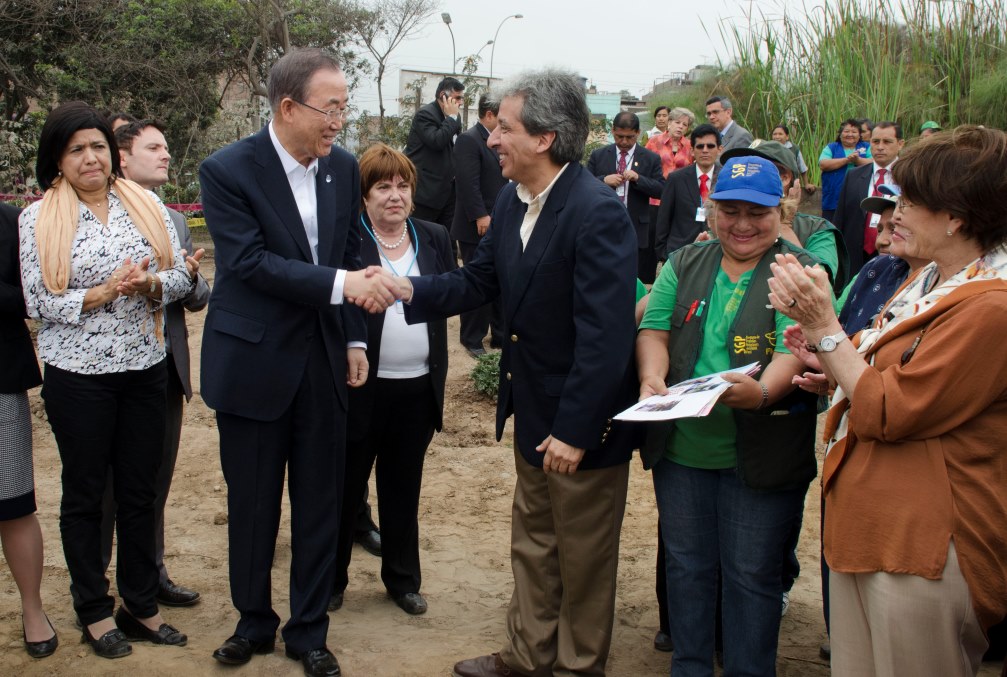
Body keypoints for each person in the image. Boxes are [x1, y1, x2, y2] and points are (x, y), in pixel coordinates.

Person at [394, 68, 639, 677]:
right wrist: (406, 289)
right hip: (532, 406)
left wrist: (578, 429)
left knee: (581, 556)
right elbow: (480, 281)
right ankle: (528, 657)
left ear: (545, 139)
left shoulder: (596, 212)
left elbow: (605, 340)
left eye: (505, 127)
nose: (492, 139)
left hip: (583, 425)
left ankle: (577, 666)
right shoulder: (511, 200)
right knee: (533, 544)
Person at [769, 125, 1007, 677]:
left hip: (922, 545)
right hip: (876, 528)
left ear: (957, 217)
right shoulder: (928, 283)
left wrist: (826, 328)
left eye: (910, 201)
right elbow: (891, 373)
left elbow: (890, 410)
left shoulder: (989, 309)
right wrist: (829, 360)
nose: (893, 213)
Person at [198, 48, 399, 677]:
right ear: (289, 107)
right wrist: (345, 286)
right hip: (253, 363)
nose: (339, 122)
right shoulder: (227, 170)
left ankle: (309, 631)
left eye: (345, 107)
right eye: (330, 108)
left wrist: (356, 340)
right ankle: (252, 621)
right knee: (253, 504)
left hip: (322, 362)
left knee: (320, 501)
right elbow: (250, 264)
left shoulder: (341, 167)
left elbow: (345, 249)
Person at [19, 101, 192, 658]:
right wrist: (104, 292)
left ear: (110, 153)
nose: (89, 157)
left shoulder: (148, 206)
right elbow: (39, 300)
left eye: (97, 146)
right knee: (86, 495)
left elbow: (181, 280)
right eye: (76, 150)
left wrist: (148, 287)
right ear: (58, 159)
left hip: (145, 368)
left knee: (141, 492)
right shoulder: (37, 218)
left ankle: (139, 604)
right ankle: (93, 609)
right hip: (79, 377)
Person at [638, 155, 819, 677]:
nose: (742, 225)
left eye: (757, 213)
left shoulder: (798, 270)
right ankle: (690, 667)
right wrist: (653, 376)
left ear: (781, 210)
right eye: (729, 211)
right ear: (711, 210)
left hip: (761, 454)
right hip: (684, 452)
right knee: (688, 568)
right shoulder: (685, 263)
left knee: (750, 575)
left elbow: (794, 348)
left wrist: (763, 392)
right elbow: (654, 329)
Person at [331, 143, 455, 618]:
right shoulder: (349, 239)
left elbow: (448, 292)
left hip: (418, 386)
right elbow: (335, 298)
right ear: (363, 196)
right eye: (382, 186)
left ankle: (402, 580)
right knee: (346, 487)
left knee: (404, 487)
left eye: (402, 185)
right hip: (361, 384)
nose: (394, 195)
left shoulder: (434, 236)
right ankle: (332, 579)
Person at [111, 120, 209, 607]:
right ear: (122, 157)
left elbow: (197, 298)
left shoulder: (173, 219)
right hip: (105, 374)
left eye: (168, 147)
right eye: (154, 148)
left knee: (154, 483)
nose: (166, 155)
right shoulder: (98, 215)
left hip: (166, 367)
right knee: (105, 488)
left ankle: (151, 575)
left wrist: (188, 277)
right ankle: (95, 586)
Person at [1, 202, 57, 659]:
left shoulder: (10, 220)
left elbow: (31, 293)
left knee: (14, 501)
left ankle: (33, 609)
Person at [722, 139, 849, 293]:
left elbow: (820, 288)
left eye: (756, 169)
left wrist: (784, 225)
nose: (743, 225)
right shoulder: (726, 222)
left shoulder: (817, 229)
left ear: (785, 178)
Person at [452, 93, 506, 358]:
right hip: (477, 225)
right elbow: (467, 183)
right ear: (488, 115)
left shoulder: (501, 141)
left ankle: (499, 335)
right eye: (501, 118)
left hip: (499, 222)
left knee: (500, 280)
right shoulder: (469, 140)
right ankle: (472, 337)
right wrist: (480, 215)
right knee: (477, 281)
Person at [587, 111, 664, 283]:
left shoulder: (650, 158)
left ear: (637, 133)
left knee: (633, 277)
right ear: (613, 130)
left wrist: (639, 179)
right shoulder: (599, 155)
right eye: (619, 136)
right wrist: (603, 180)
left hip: (636, 226)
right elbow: (583, 185)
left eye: (629, 137)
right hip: (603, 225)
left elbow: (661, 189)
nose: (624, 142)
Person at [833, 121, 905, 275]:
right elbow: (840, 218)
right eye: (875, 141)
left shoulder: (909, 177)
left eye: (887, 142)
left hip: (895, 255)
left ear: (900, 144)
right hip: (856, 256)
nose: (880, 147)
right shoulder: (853, 175)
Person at [653, 123, 720, 261]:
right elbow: (664, 218)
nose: (705, 150)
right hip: (680, 253)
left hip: (718, 253)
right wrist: (664, 254)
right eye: (700, 146)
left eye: (710, 146)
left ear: (720, 149)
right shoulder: (676, 179)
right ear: (692, 151)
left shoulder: (728, 178)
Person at [405, 76, 464, 228]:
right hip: (426, 194)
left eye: (462, 98)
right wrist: (451, 117)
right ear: (443, 96)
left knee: (447, 242)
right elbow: (437, 141)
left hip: (448, 194)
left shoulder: (455, 118)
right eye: (457, 98)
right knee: (422, 237)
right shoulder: (425, 115)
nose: (461, 102)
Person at [818, 118, 872, 224]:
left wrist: (858, 160)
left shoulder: (867, 147)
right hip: (834, 197)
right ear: (840, 134)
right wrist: (847, 160)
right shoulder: (831, 147)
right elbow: (823, 164)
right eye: (846, 131)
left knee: (855, 226)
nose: (850, 134)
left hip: (859, 195)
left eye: (854, 132)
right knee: (831, 227)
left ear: (859, 134)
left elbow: (874, 162)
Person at [771, 124, 815, 194]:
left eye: (780, 134)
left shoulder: (794, 149)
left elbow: (802, 168)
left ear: (787, 136)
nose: (777, 137)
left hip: (790, 186)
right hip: (773, 185)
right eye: (774, 134)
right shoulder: (768, 148)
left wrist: (806, 184)